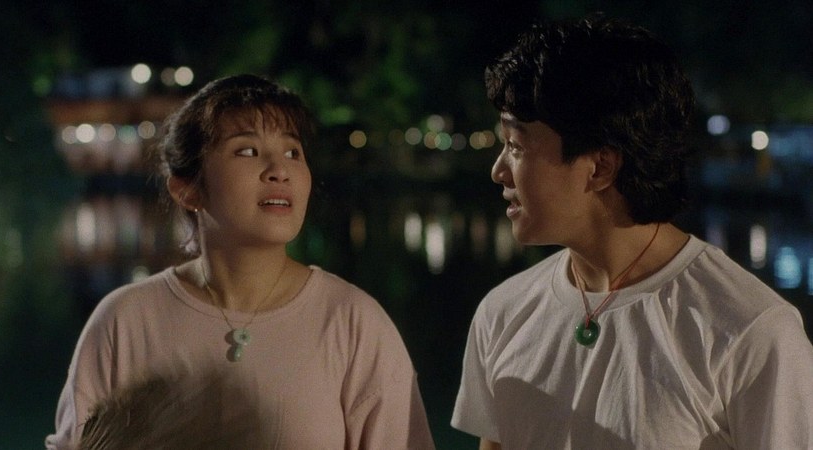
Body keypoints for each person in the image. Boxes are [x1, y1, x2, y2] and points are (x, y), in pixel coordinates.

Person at [451, 16, 813, 450]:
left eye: (515, 145)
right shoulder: (502, 314)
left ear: (600, 167)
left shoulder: (751, 331)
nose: (498, 170)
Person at [46, 74, 435, 449]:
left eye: (293, 152)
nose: (280, 170)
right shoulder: (125, 321)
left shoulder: (353, 323)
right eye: (247, 151)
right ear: (187, 189)